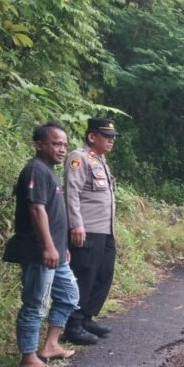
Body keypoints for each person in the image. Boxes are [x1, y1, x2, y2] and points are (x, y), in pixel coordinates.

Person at [2, 122, 78, 367]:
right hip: (39, 252)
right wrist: (48, 246)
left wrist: (61, 246)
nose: (62, 149)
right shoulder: (35, 170)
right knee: (35, 304)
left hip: (56, 252)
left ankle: (51, 345)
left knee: (69, 295)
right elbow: (36, 209)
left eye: (65, 145)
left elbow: (54, 214)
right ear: (39, 144)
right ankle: (28, 357)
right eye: (56, 144)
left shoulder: (49, 171)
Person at [62, 118, 119, 346]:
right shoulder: (79, 158)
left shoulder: (101, 161)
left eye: (113, 137)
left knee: (103, 274)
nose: (111, 140)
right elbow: (72, 192)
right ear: (92, 137)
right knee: (84, 275)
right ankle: (73, 325)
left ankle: (86, 317)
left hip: (105, 230)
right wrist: (76, 224)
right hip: (87, 229)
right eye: (106, 136)